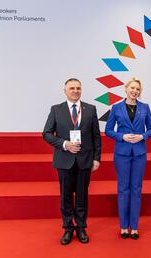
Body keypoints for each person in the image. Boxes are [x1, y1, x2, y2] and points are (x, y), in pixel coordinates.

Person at [43, 78, 101, 245]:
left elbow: (96, 136)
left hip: (85, 160)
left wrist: (97, 158)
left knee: (82, 196)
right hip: (64, 159)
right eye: (72, 88)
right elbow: (46, 133)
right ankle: (68, 228)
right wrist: (64, 144)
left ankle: (81, 227)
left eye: (78, 88)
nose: (75, 91)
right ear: (65, 91)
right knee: (66, 196)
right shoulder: (56, 110)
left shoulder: (90, 109)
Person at [105, 77, 151, 240]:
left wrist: (142, 136)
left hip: (140, 153)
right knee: (123, 189)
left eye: (138, 89)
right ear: (126, 89)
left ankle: (134, 227)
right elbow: (108, 130)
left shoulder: (145, 107)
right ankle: (123, 226)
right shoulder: (116, 107)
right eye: (132, 88)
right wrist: (122, 136)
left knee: (136, 189)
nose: (135, 91)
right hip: (122, 153)